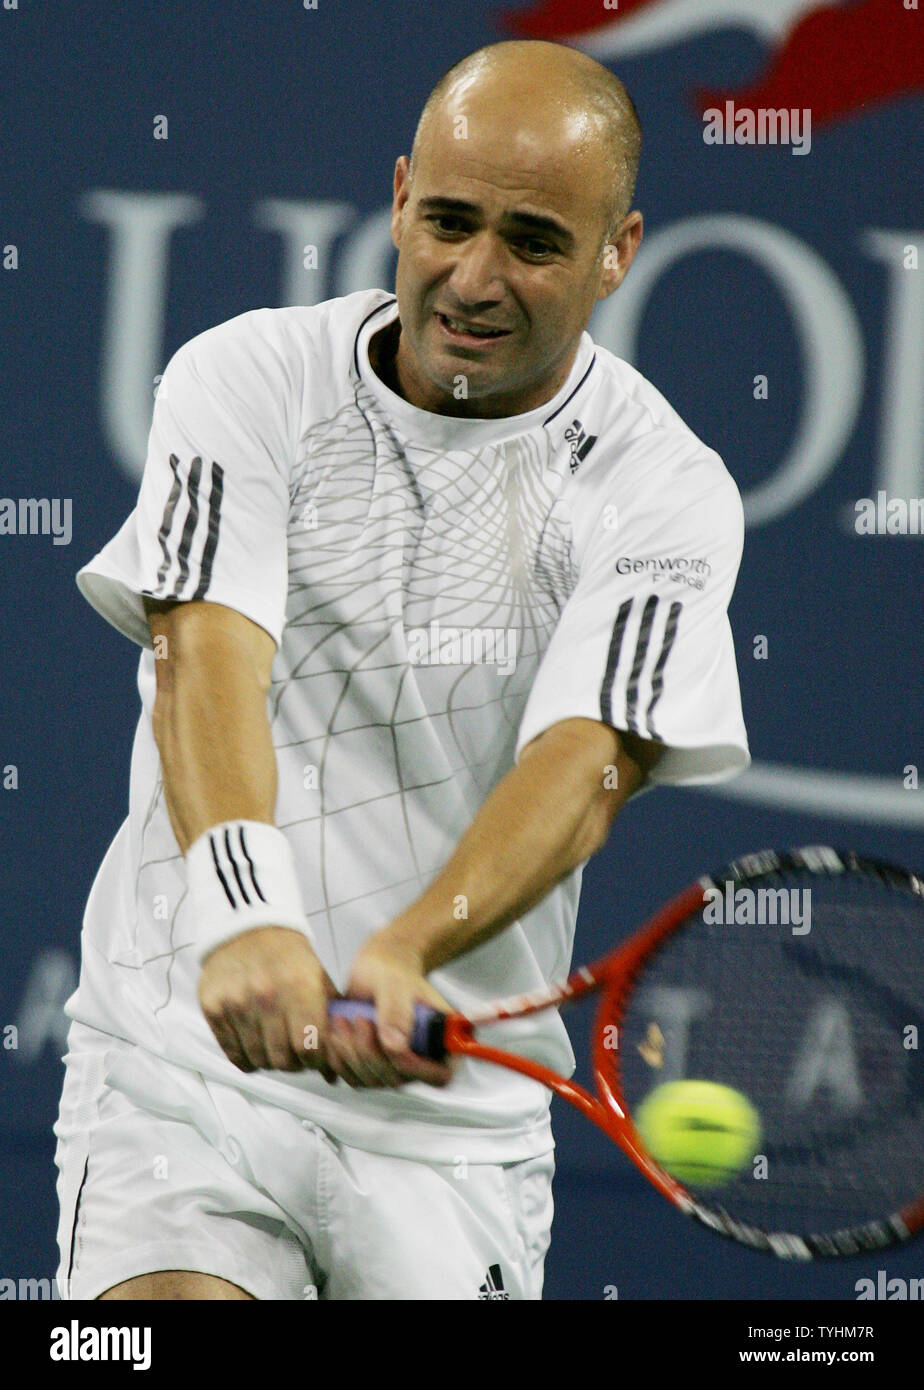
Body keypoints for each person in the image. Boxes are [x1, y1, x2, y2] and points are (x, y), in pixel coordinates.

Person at [54, 38, 749, 1302]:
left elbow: (586, 765)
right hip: (184, 1080)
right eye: (447, 221)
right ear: (395, 201)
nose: (473, 277)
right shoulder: (247, 377)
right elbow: (202, 656)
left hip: (455, 1134)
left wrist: (412, 949)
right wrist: (249, 912)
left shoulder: (664, 485)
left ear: (619, 252)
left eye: (535, 241)